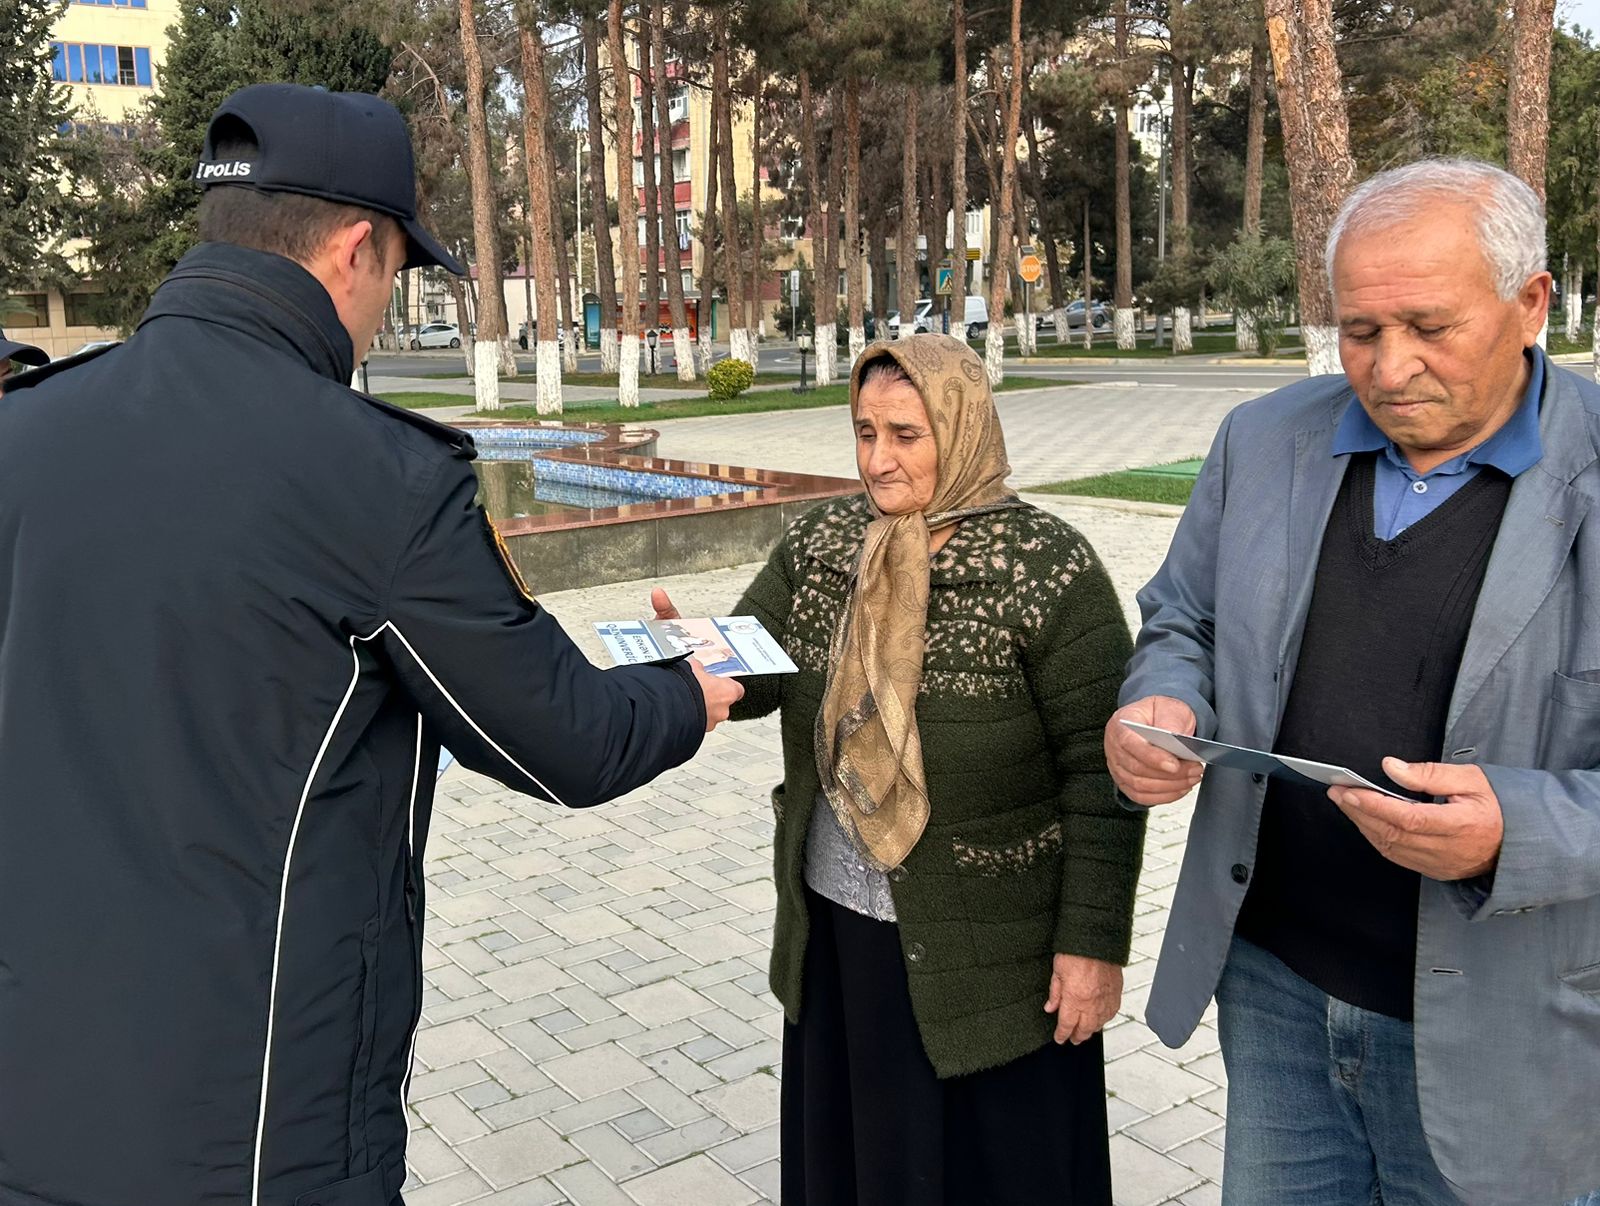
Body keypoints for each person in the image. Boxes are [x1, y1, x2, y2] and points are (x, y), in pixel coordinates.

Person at [0, 83, 742, 1206]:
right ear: (356, 250)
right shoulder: (376, 476)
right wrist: (688, 691)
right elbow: (564, 741)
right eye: (395, 274)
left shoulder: (26, 428)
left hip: (34, 1097)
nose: (383, 309)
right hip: (254, 1127)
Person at [1106, 158, 1600, 1206]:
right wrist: (1163, 700)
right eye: (1360, 330)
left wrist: (1516, 829)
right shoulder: (1262, 439)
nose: (1389, 367)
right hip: (1275, 988)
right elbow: (1184, 619)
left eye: (1429, 326)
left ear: (1530, 304)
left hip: (1513, 1027)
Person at [656, 334, 1145, 1205]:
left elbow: (1100, 777)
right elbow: (760, 666)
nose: (878, 460)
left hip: (995, 959)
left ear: (961, 429)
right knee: (861, 1162)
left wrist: (1092, 946)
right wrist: (689, 653)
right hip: (841, 937)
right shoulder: (824, 542)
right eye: (864, 432)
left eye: (905, 435)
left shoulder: (1048, 569)